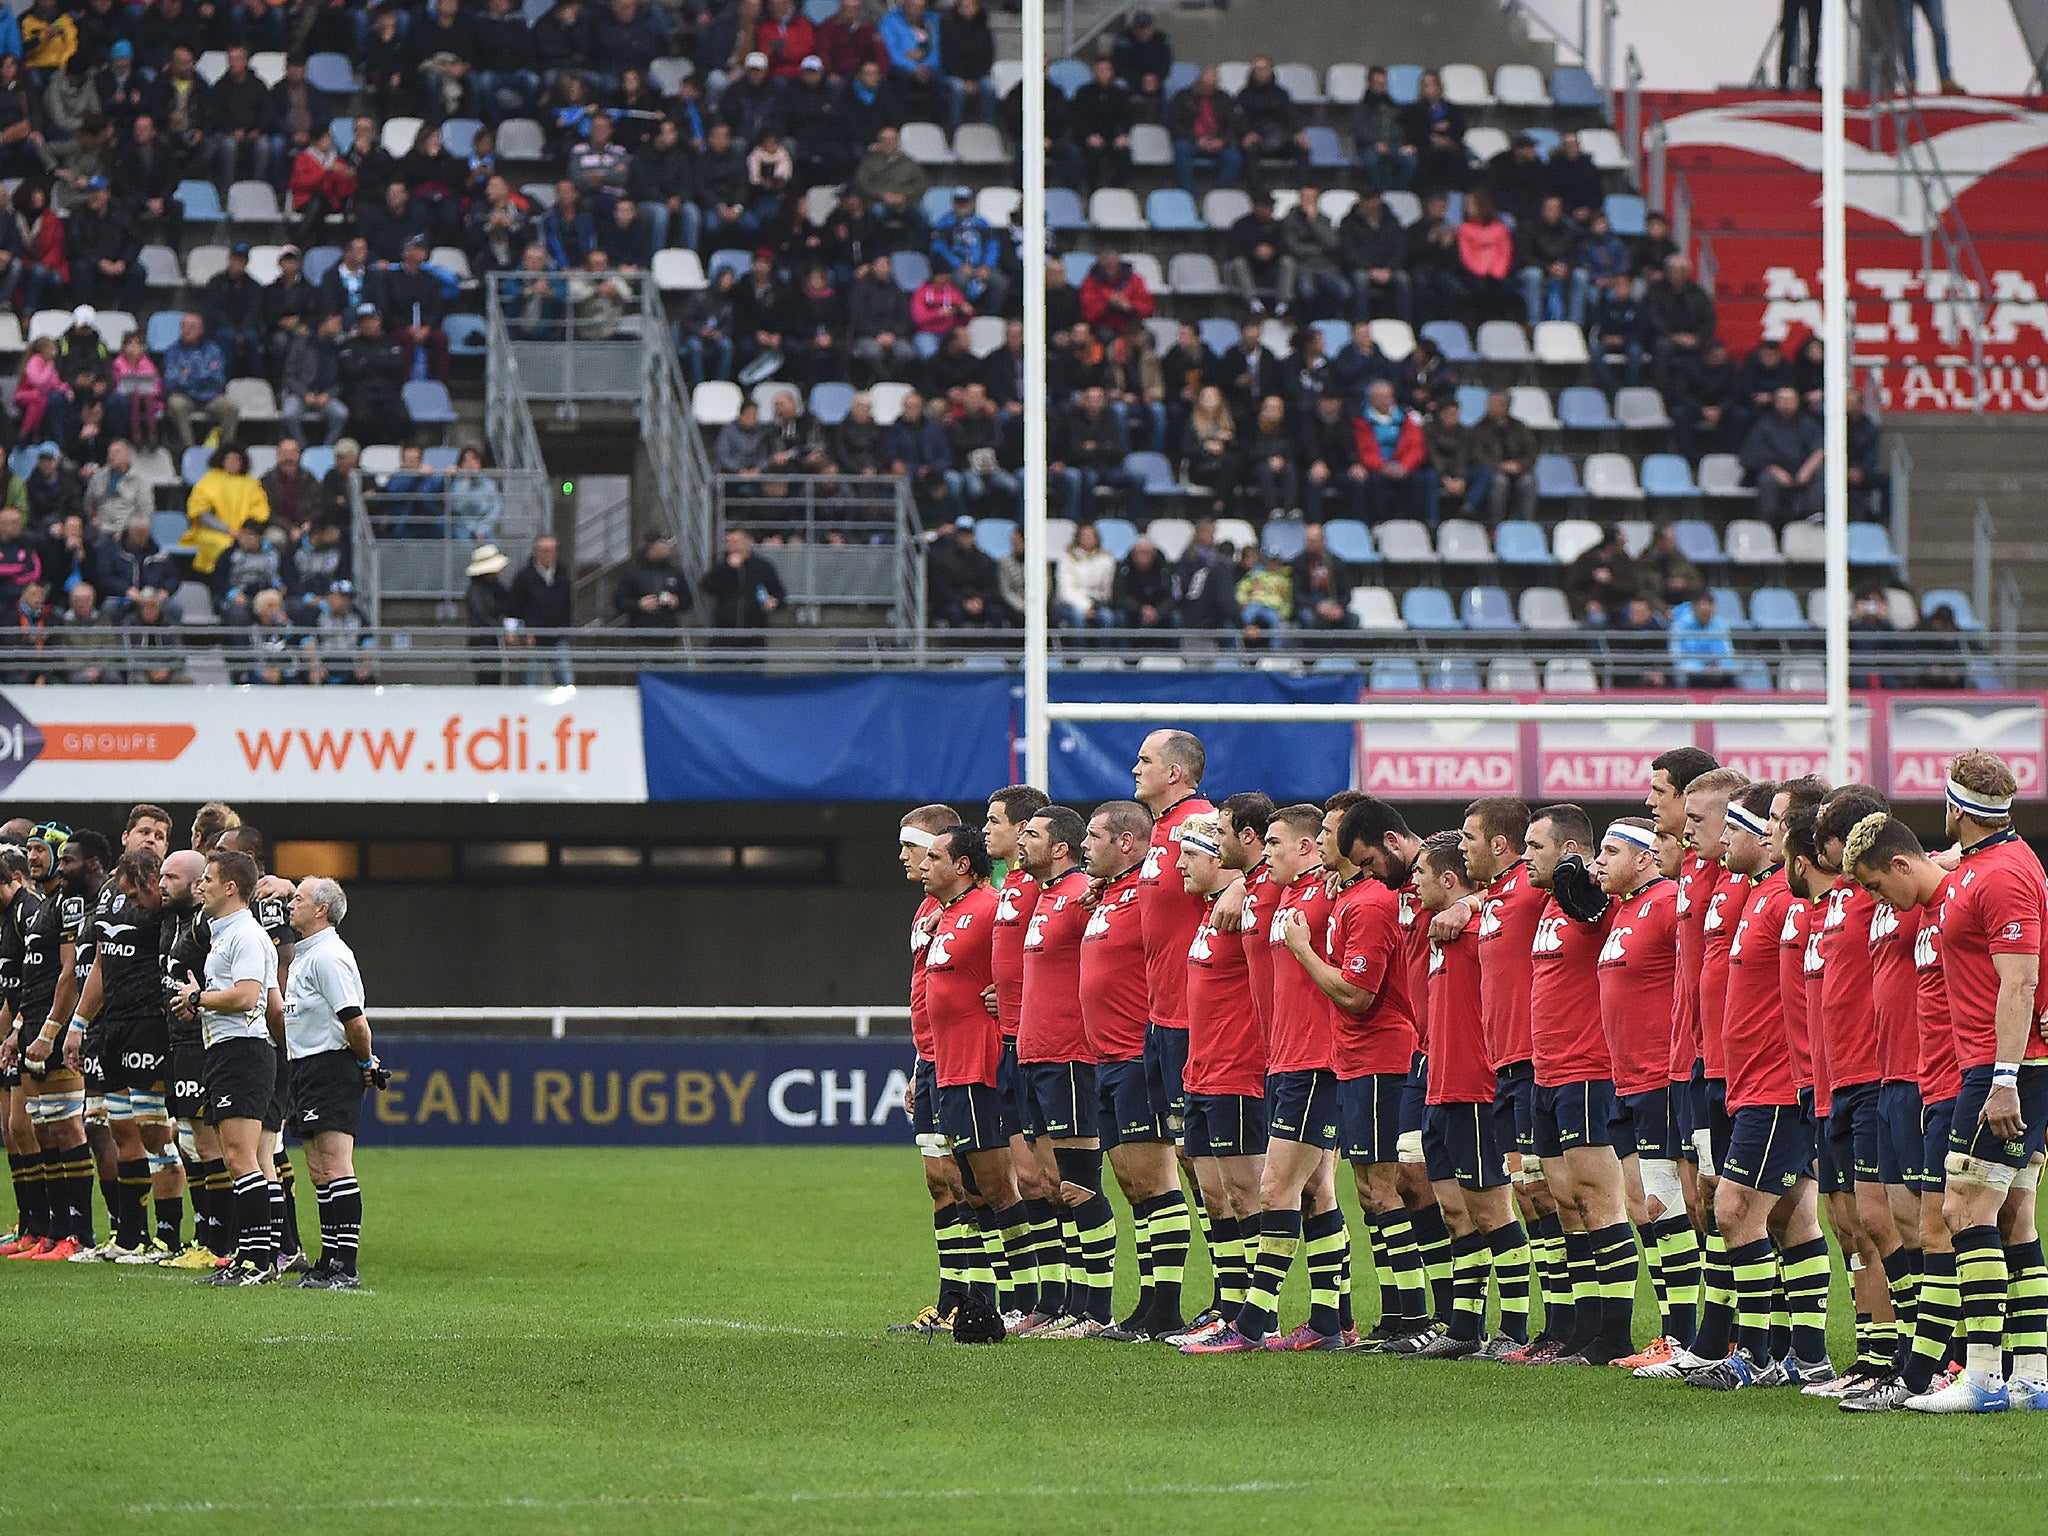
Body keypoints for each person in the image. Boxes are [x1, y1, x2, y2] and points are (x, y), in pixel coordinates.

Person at [170, 848, 278, 1285]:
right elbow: (256, 999)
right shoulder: (225, 934)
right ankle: (251, 1255)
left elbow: (249, 996)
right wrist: (200, 1004)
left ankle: (258, 1260)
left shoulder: (245, 935)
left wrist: (199, 999)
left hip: (242, 1052)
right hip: (228, 1049)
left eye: (208, 880)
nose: (201, 886)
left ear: (231, 887)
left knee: (240, 1157)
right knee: (237, 1157)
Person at [277, 876, 374, 1289]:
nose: (290, 905)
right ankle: (328, 1258)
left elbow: (354, 1020)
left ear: (321, 909)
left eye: (298, 898)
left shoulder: (328, 957)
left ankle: (345, 1267)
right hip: (306, 1067)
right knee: (318, 1170)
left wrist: (365, 1060)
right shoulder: (306, 954)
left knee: (335, 1165)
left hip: (329, 1066)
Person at [180, 445, 268, 582]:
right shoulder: (209, 480)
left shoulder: (251, 483)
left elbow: (259, 511)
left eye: (236, 460)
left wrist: (245, 532)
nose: (233, 463)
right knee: (224, 546)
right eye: (229, 459)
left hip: (246, 531)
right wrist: (227, 530)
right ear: (221, 460)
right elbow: (203, 513)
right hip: (214, 532)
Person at [1741, 386, 1824, 524]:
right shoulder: (1763, 425)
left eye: (1790, 400)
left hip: (1803, 471)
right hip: (1774, 472)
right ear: (1775, 402)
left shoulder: (1808, 423)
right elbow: (1752, 455)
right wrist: (1775, 470)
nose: (1786, 404)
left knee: (1821, 472)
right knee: (1767, 479)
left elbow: (1820, 449)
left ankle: (1814, 515)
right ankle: (1767, 522)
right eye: (1782, 400)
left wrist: (1807, 469)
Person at [160, 314, 239, 455]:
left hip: (210, 397)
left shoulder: (213, 350)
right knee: (175, 404)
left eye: (191, 327)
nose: (186, 330)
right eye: (183, 326)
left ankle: (226, 453)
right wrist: (202, 376)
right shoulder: (173, 351)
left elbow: (218, 379)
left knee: (231, 408)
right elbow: (171, 382)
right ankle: (189, 451)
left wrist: (188, 376)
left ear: (201, 329)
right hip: (184, 397)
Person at [1352, 378, 1424, 520]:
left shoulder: (1406, 418)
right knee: (1373, 481)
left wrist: (1404, 466)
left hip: (1401, 465)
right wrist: (1382, 466)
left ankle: (1411, 520)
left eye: (1389, 396)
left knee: (1419, 479)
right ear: (1371, 399)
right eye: (1381, 397)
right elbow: (1363, 449)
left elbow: (1416, 447)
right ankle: (1379, 521)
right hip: (1377, 467)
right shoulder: (1361, 420)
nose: (1387, 400)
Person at [698, 526, 784, 645]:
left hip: (754, 629)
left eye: (736, 542)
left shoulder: (762, 566)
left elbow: (778, 591)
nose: (732, 546)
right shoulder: (721, 565)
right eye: (728, 542)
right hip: (725, 629)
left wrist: (774, 601)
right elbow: (707, 586)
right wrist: (728, 568)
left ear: (747, 542)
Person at [507, 534, 573, 684]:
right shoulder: (524, 578)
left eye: (551, 551)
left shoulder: (562, 575)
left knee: (567, 681)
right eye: (543, 551)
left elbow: (567, 606)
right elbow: (513, 608)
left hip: (558, 638)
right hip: (534, 639)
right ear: (535, 552)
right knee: (532, 681)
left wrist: (566, 628)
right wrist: (516, 633)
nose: (548, 555)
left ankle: (568, 708)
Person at [1167, 66, 1242, 198]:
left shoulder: (1224, 98)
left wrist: (1223, 140)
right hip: (1193, 139)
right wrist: (1196, 139)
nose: (1208, 89)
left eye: (1212, 86)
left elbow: (1233, 125)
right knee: (1181, 149)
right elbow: (1174, 124)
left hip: (1218, 139)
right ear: (1199, 82)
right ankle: (1189, 191)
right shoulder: (1182, 97)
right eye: (1206, 85)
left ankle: (1220, 192)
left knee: (1234, 157)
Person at [614, 532, 689, 629]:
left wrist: (676, 601)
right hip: (639, 631)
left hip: (669, 631)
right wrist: (639, 605)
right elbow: (619, 601)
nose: (669, 547)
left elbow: (687, 600)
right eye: (664, 544)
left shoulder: (674, 572)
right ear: (653, 546)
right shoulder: (633, 572)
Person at [1054, 523, 1117, 636]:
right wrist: (1085, 606)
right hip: (1071, 604)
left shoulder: (1106, 559)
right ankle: (1078, 652)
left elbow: (1106, 589)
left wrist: (1095, 605)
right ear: (1078, 538)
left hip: (1097, 604)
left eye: (1091, 536)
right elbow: (1065, 589)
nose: (1087, 539)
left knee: (1107, 617)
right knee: (1078, 618)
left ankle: (1104, 653)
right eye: (1084, 535)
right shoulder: (1067, 558)